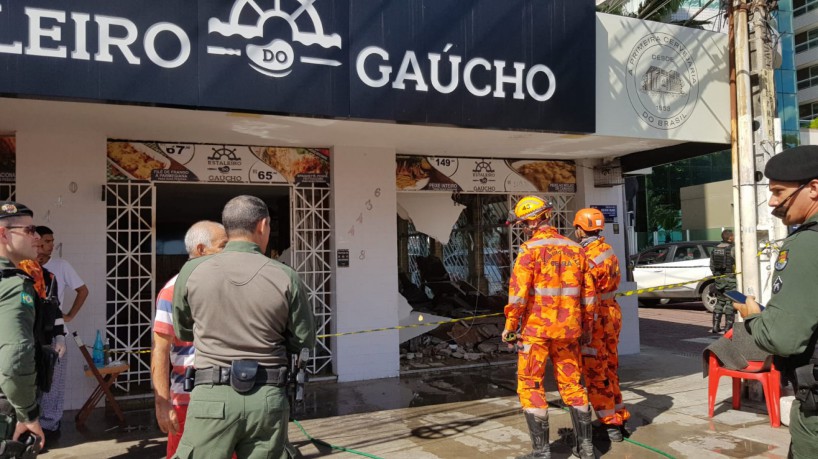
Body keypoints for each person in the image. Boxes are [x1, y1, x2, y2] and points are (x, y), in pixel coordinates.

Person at [172, 195, 316, 458]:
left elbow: (182, 331)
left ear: (228, 227)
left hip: (210, 397)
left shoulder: (191, 272)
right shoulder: (285, 276)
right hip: (267, 399)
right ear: (263, 225)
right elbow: (303, 341)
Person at [733, 145, 818, 458]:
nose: (772, 202)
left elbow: (782, 338)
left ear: (813, 188)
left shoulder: (806, 243)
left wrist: (753, 315)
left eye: (779, 191)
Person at [502, 196, 596, 459]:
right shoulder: (577, 250)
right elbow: (589, 297)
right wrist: (586, 327)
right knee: (573, 385)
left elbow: (517, 296)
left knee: (531, 385)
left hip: (536, 331)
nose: (521, 228)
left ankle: (541, 452)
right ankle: (586, 448)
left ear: (532, 221)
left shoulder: (528, 250)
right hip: (569, 331)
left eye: (523, 223)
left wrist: (510, 326)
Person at [151, 221, 227, 459]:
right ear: (201, 249)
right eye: (224, 246)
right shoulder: (172, 291)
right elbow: (160, 350)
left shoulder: (228, 285)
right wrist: (162, 404)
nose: (230, 253)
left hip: (229, 396)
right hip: (188, 400)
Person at [573, 208, 629, 442]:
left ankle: (610, 424)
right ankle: (619, 415)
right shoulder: (608, 250)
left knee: (596, 371)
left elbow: (583, 290)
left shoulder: (584, 256)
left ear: (579, 229)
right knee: (610, 367)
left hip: (594, 317)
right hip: (611, 314)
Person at [0, 201, 46, 452]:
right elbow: (15, 358)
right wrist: (28, 415)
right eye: (29, 230)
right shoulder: (12, 285)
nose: (37, 237)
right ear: (3, 234)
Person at [35, 225, 89, 438]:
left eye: (51, 241)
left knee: (53, 384)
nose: (50, 245)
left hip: (56, 333)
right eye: (46, 241)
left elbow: (83, 291)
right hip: (31, 334)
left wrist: (70, 316)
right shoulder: (24, 266)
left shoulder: (60, 266)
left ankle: (50, 425)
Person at [709, 229, 736, 334]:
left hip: (719, 279)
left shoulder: (715, 249)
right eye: (733, 236)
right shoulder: (733, 249)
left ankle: (715, 326)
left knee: (720, 301)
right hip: (731, 279)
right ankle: (728, 328)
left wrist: (717, 277)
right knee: (730, 302)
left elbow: (711, 265)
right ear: (730, 238)